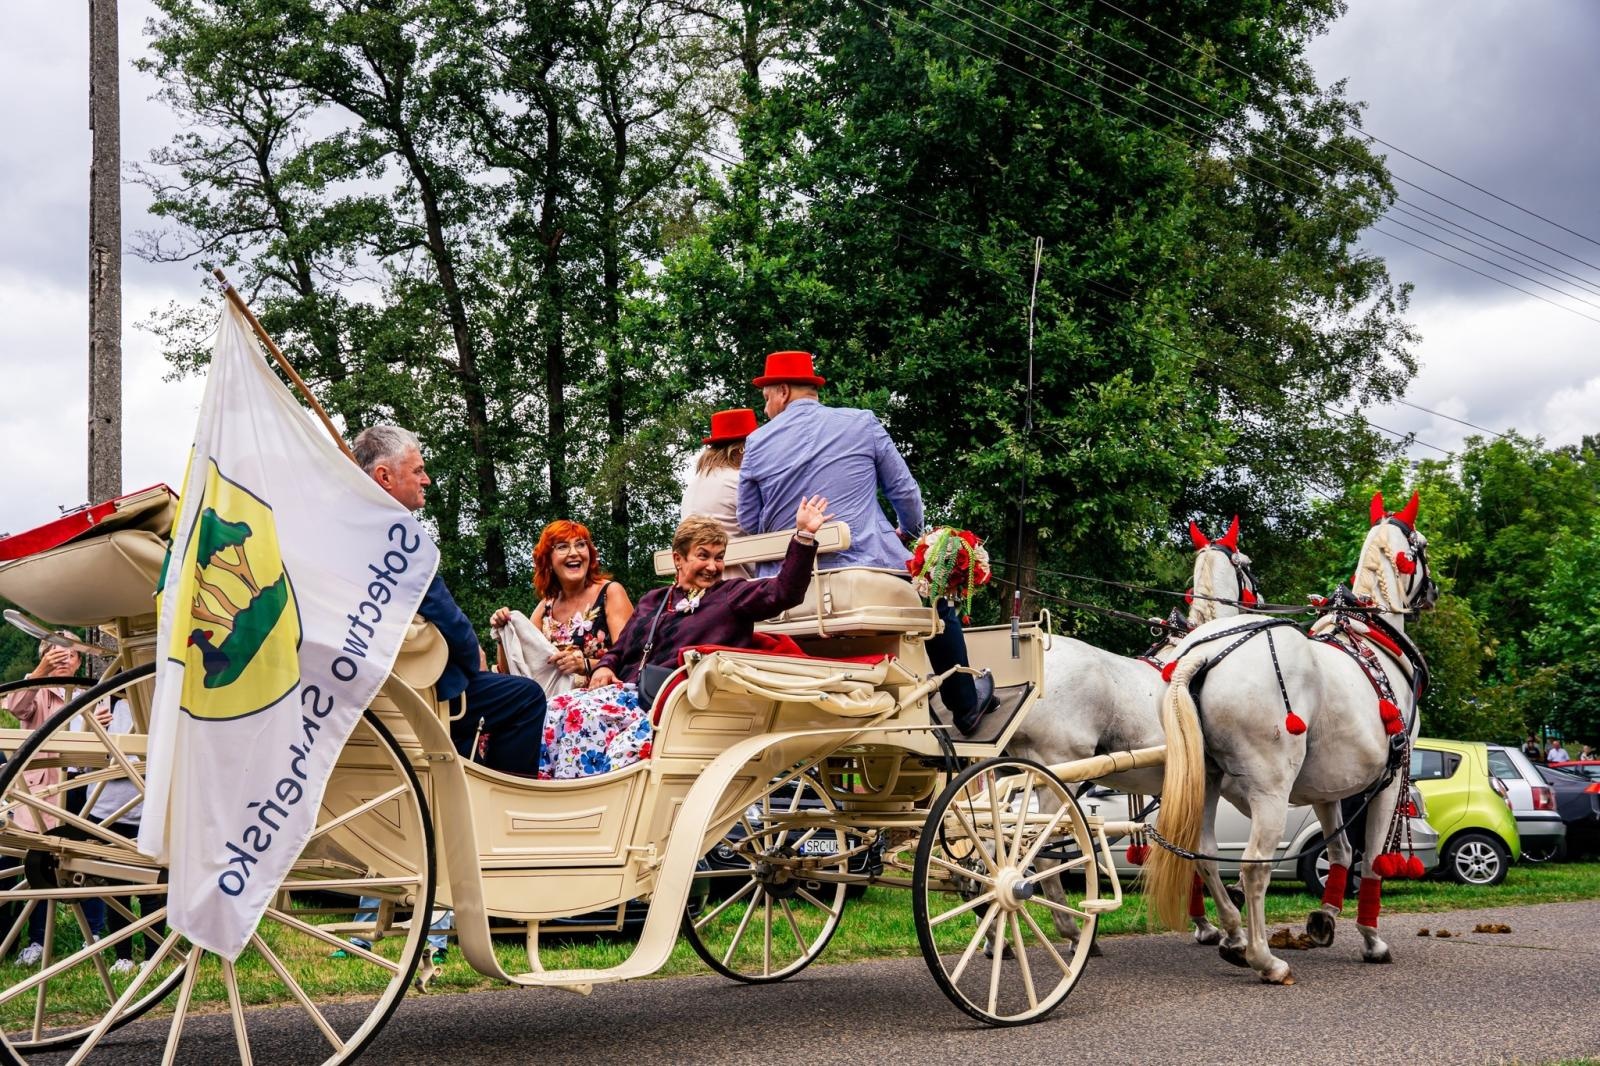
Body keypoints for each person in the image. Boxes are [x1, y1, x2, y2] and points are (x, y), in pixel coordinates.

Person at [735, 350, 994, 733]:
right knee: (937, 600)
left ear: (784, 391)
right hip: (863, 572)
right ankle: (965, 705)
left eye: (767, 398)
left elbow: (749, 523)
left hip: (791, 592)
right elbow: (906, 494)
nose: (767, 406)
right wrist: (908, 533)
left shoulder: (755, 444)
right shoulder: (862, 422)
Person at [540, 497, 831, 779]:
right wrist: (604, 666)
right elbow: (621, 648)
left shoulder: (730, 596)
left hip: (672, 703)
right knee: (553, 708)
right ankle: (547, 793)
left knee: (584, 713)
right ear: (679, 559)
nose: (713, 566)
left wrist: (804, 536)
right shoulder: (653, 600)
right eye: (703, 555)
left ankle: (579, 796)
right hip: (628, 694)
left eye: (719, 558)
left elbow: (785, 592)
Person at [353, 425, 548, 774]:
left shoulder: (350, 532)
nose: (425, 479)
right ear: (384, 476)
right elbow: (449, 619)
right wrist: (474, 657)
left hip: (367, 685)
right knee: (526, 697)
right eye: (417, 470)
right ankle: (505, 794)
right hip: (419, 693)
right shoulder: (401, 539)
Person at [4, 636, 109, 966]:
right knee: (39, 864)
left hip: (83, 786)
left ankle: (93, 936)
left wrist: (97, 734)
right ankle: (37, 940)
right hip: (44, 791)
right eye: (53, 652)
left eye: (69, 654)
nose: (62, 658)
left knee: (85, 862)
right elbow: (16, 707)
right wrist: (40, 672)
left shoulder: (93, 696)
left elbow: (105, 753)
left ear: (79, 661)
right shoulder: (38, 691)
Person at [490, 520, 634, 683]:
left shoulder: (610, 593)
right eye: (562, 547)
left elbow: (631, 658)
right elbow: (515, 671)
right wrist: (502, 633)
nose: (573, 552)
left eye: (580, 545)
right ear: (548, 561)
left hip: (600, 698)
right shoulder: (545, 607)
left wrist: (586, 665)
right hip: (553, 701)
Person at [681, 408, 758, 579]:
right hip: (734, 583)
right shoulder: (739, 481)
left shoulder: (694, 484)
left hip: (695, 581)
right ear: (742, 449)